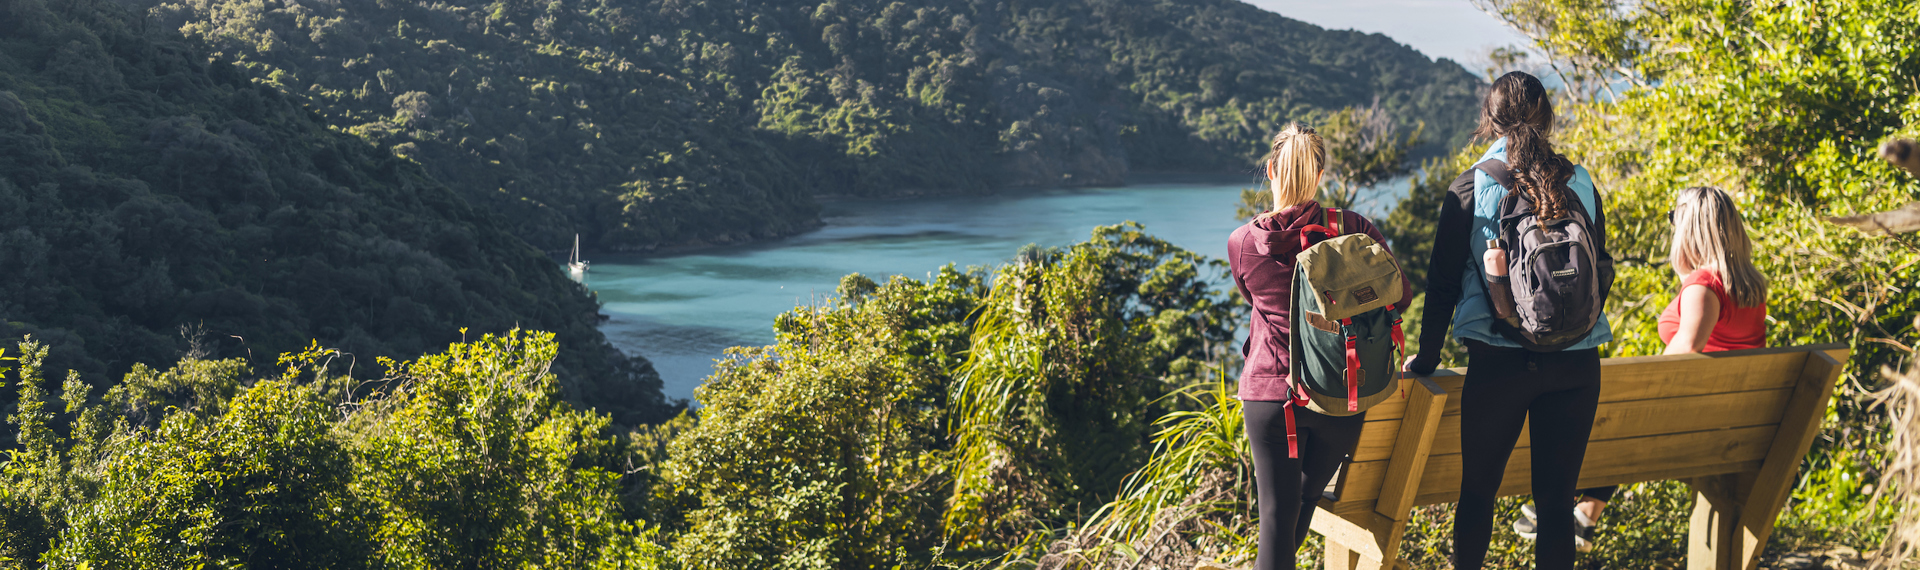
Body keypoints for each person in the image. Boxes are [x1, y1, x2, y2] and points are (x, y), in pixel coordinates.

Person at [1402, 71, 1616, 570]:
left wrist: (1428, 358)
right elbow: (1601, 267)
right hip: (1578, 365)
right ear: (1546, 117)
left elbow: (1443, 285)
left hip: (1499, 362)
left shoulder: (1471, 185)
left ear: (1488, 120)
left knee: (1477, 495)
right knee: (1558, 506)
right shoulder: (1579, 179)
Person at [1512, 185, 1769, 550]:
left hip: (1692, 423)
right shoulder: (1749, 288)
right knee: (1627, 418)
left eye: (1673, 219)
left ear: (1691, 228)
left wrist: (1639, 396)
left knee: (1621, 413)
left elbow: (1684, 353)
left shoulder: (1704, 287)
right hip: (1733, 422)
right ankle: (1583, 510)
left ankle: (1567, 500)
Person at [1230, 122, 1406, 570]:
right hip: (1340, 394)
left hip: (1274, 397)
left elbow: (1255, 301)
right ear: (1321, 174)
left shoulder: (1244, 243)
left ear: (1270, 170)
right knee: (1303, 501)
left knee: (1274, 515)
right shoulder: (1353, 229)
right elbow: (1399, 294)